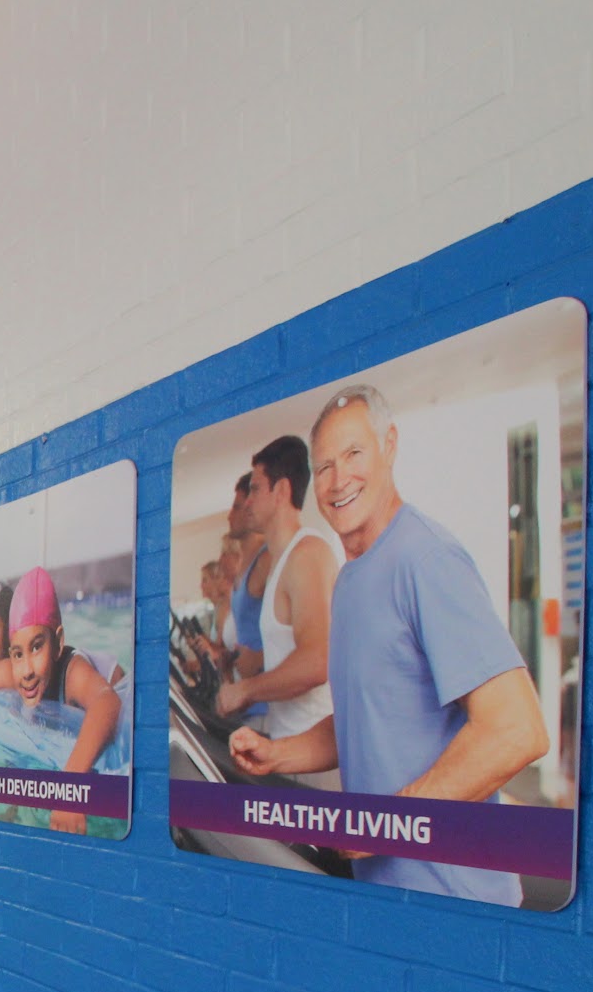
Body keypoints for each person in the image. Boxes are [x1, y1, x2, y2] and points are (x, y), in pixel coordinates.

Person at [229, 383, 548, 904]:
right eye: (325, 466)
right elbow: (365, 717)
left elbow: (517, 729)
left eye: (354, 454)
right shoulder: (351, 579)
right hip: (388, 893)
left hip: (455, 898)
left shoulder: (426, 559)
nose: (339, 480)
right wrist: (277, 754)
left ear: (389, 447)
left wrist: (386, 825)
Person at [0, 566, 123, 834]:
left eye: (37, 647)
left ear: (58, 642)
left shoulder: (72, 672)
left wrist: (70, 786)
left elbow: (108, 702)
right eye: (18, 654)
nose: (27, 670)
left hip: (111, 678)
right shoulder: (16, 670)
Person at [218, 435, 339, 761]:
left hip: (317, 754)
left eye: (255, 489)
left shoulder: (307, 553)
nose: (247, 502)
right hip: (289, 746)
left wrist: (246, 691)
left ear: (281, 491)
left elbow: (318, 661)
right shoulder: (282, 561)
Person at [226, 477, 268, 682]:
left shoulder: (267, 560)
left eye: (236, 507)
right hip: (249, 691)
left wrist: (260, 658)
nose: (229, 516)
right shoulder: (243, 565)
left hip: (269, 690)